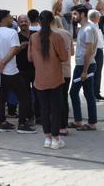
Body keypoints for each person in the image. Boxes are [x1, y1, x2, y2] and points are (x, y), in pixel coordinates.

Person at [0, 10, 35, 134]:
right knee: (23, 97)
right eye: (9, 17)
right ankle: (22, 124)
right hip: (10, 71)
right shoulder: (12, 32)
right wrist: (2, 63)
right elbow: (14, 49)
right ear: (3, 19)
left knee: (1, 97)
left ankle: (1, 122)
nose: (11, 19)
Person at [29, 11, 70, 149]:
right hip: (55, 78)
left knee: (44, 109)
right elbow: (64, 57)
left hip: (39, 79)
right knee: (56, 109)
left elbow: (29, 58)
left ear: (39, 22)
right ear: (53, 21)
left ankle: (47, 138)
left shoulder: (33, 37)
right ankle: (56, 139)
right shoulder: (57, 37)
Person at [69, 6, 98, 131]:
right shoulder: (83, 28)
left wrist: (85, 71)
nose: (73, 16)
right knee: (86, 93)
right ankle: (80, 121)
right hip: (82, 65)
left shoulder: (88, 29)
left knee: (76, 92)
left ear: (82, 14)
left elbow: (89, 51)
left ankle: (89, 123)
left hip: (85, 66)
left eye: (75, 14)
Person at [51, 16, 73, 136]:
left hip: (55, 71)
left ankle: (57, 124)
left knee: (54, 99)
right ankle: (64, 125)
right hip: (67, 70)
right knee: (64, 98)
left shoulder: (51, 33)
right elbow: (72, 52)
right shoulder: (67, 33)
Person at [16, 14, 37, 123]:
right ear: (18, 23)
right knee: (25, 94)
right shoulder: (16, 36)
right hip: (21, 70)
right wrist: (20, 47)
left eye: (25, 21)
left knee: (38, 93)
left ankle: (38, 115)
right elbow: (12, 51)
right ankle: (28, 115)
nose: (23, 23)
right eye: (21, 21)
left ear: (29, 22)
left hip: (36, 69)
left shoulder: (35, 34)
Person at [93, 16, 104, 101]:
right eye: (98, 17)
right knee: (94, 73)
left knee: (98, 73)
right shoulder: (91, 26)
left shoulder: (97, 25)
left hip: (99, 50)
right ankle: (93, 94)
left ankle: (97, 93)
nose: (100, 18)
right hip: (94, 51)